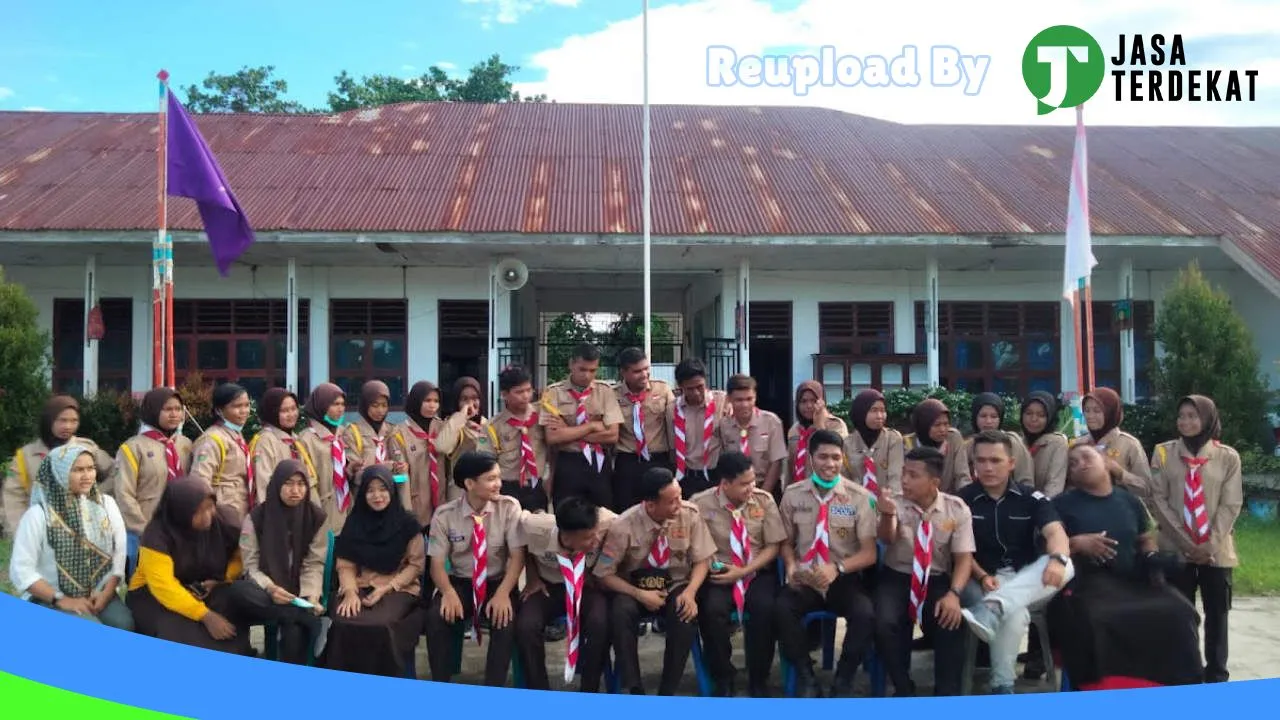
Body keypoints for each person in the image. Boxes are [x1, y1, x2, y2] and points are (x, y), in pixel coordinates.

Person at [1049, 444, 1204, 688]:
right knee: (1097, 619)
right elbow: (1048, 545)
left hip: (1133, 580)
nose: (1080, 464)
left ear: (1105, 461)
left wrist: (1151, 555)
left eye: (1086, 457)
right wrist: (1077, 543)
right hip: (1088, 584)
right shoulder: (1061, 504)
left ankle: (1178, 686)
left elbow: (1145, 537)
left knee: (1179, 611)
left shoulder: (1129, 501)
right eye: (1073, 464)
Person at [956, 430, 1074, 694]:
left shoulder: (1031, 499)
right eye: (981, 461)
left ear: (1011, 463)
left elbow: (1056, 533)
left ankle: (996, 607)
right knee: (1016, 612)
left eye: (995, 460)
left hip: (1027, 579)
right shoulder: (963, 500)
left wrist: (1056, 560)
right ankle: (1002, 685)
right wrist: (982, 576)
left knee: (1067, 564)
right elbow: (960, 552)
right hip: (980, 579)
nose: (987, 467)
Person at [596, 466, 715, 696]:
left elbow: (703, 559)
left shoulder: (689, 514)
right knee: (620, 612)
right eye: (672, 501)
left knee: (685, 613)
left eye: (679, 497)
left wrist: (690, 592)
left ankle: (667, 690)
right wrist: (639, 594)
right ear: (651, 505)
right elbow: (604, 574)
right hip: (635, 588)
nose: (679, 505)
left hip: (675, 584)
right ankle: (634, 687)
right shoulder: (624, 525)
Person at [776, 432, 878, 698]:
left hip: (842, 578)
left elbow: (869, 554)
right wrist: (790, 566)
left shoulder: (859, 497)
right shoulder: (792, 495)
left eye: (836, 457)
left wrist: (838, 568)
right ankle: (806, 675)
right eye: (823, 457)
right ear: (811, 459)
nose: (830, 464)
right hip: (806, 577)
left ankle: (843, 679)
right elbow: (785, 542)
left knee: (865, 613)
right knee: (782, 608)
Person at [1149, 395, 1242, 683]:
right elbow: (1158, 500)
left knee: (1217, 615)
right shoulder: (1163, 453)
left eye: (1193, 415)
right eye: (1181, 416)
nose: (1185, 422)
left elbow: (1231, 504)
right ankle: (1184, 672)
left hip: (1216, 552)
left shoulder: (1228, 457)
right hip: (1176, 550)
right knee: (1179, 614)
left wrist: (1208, 545)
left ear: (1207, 419)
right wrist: (1187, 544)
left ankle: (1216, 674)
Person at [874, 445, 974, 697]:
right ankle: (903, 686)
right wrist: (887, 515)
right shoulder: (893, 503)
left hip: (936, 579)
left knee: (951, 620)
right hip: (897, 577)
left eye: (913, 475)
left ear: (934, 482)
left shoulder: (956, 508)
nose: (905, 480)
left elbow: (963, 559)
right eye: (904, 473)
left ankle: (945, 695)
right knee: (884, 621)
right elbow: (887, 539)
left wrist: (954, 593)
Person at [425, 452, 527, 686]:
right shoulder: (444, 515)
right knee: (436, 617)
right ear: (470, 484)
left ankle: (493, 687)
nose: (498, 484)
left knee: (506, 620)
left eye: (499, 477)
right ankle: (440, 683)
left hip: (497, 582)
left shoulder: (509, 508)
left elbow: (517, 557)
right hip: (461, 582)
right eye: (491, 479)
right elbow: (437, 564)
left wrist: (503, 594)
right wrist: (448, 593)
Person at [692, 451, 785, 697]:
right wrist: (718, 567)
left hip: (755, 571)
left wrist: (744, 570)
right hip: (720, 572)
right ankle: (723, 675)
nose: (751, 487)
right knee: (712, 611)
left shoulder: (764, 500)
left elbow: (773, 546)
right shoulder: (700, 504)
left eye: (753, 480)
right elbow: (697, 545)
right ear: (724, 483)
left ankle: (759, 678)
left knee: (765, 608)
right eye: (744, 484)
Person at [9, 444, 133, 630]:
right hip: (49, 597)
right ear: (59, 472)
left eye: (91, 468)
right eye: (78, 470)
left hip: (100, 592)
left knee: (125, 625)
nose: (87, 476)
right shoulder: (39, 514)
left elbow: (120, 552)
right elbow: (21, 570)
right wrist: (61, 599)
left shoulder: (106, 504)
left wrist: (107, 592)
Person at [126, 476, 253, 655]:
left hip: (201, 588)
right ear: (181, 512)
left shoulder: (225, 521)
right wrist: (205, 616)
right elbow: (164, 587)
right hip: (154, 595)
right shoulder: (156, 536)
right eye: (199, 511)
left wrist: (222, 579)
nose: (208, 516)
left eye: (210, 507)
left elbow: (241, 556)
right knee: (177, 628)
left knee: (230, 606)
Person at [324, 466, 425, 677]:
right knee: (344, 621)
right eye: (370, 490)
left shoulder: (407, 524)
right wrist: (350, 592)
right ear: (363, 494)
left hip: (398, 588)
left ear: (391, 490)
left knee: (381, 625)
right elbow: (345, 565)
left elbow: (415, 566)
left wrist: (386, 588)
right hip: (360, 586)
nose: (377, 496)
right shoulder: (355, 522)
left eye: (382, 489)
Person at [514, 496, 617, 692]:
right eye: (588, 538)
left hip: (586, 586)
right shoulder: (535, 526)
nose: (595, 541)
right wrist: (533, 576)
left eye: (596, 535)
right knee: (526, 626)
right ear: (567, 536)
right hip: (547, 586)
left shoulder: (605, 520)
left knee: (600, 622)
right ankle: (538, 691)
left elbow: (629, 523)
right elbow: (520, 541)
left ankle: (590, 689)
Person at [238, 459, 329, 665]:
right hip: (266, 592)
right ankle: (310, 620)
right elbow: (250, 565)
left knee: (294, 634)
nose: (295, 490)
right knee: (239, 591)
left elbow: (313, 563)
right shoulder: (256, 518)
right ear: (277, 484)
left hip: (298, 593)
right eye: (288, 483)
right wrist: (270, 588)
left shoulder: (316, 517)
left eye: (301, 483)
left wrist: (311, 595)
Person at [4, 395, 115, 538]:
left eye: (74, 421)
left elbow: (115, 472)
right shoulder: (25, 456)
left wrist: (94, 494)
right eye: (62, 420)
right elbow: (13, 498)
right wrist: (21, 533)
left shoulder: (86, 448)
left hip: (84, 532)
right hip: (41, 531)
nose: (68, 426)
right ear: (48, 421)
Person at [114, 387, 193, 579]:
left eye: (178, 408)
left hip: (180, 531)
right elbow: (124, 494)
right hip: (144, 531)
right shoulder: (133, 447)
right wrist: (144, 529)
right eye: (167, 409)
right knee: (144, 586)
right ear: (152, 410)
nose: (174, 414)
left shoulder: (185, 444)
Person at [540, 343, 624, 510]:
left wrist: (568, 431)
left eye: (593, 370)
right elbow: (553, 437)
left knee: (603, 514)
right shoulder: (553, 393)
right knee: (566, 513)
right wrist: (592, 426)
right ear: (571, 364)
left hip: (598, 461)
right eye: (582, 369)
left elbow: (612, 435)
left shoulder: (605, 391)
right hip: (568, 462)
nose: (587, 375)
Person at [612, 347, 676, 512]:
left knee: (661, 509)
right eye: (637, 371)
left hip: (658, 459)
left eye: (646, 368)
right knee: (626, 510)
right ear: (624, 373)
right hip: (628, 461)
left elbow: (677, 418)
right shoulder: (613, 395)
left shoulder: (663, 390)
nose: (644, 374)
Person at [478, 365, 550, 512]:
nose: (525, 396)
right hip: (507, 487)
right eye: (519, 392)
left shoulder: (543, 416)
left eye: (528, 390)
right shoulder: (492, 426)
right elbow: (485, 462)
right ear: (504, 394)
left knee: (538, 529)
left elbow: (554, 447)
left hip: (537, 484)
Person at [297, 383, 362, 535]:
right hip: (321, 510)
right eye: (334, 404)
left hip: (345, 509)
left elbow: (340, 470)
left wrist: (351, 469)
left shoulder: (341, 433)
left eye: (342, 404)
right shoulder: (307, 439)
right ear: (321, 406)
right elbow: (307, 480)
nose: (340, 409)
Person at [189, 383, 254, 522]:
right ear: (219, 410)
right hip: (221, 513)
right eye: (237, 406)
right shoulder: (212, 439)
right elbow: (200, 480)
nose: (244, 411)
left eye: (246, 405)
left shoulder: (236, 435)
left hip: (240, 511)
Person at [666, 358, 730, 499]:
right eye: (689, 389)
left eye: (700, 386)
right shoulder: (672, 410)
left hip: (716, 476)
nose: (696, 393)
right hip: (686, 477)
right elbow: (673, 448)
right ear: (680, 386)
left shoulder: (722, 402)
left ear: (705, 381)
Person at [715, 375, 788, 496]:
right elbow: (724, 462)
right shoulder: (724, 425)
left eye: (749, 399)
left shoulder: (771, 422)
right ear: (729, 399)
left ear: (755, 397)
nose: (745, 404)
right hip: (736, 491)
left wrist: (762, 495)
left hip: (765, 487)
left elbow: (776, 463)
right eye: (739, 400)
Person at [1074, 387, 1151, 499]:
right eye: (1086, 410)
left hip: (1119, 510)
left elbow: (1146, 489)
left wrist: (1120, 472)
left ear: (1110, 413)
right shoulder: (1079, 444)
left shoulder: (1129, 444)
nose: (1090, 416)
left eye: (1097, 411)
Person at [249, 388, 318, 506]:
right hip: (278, 512)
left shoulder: (294, 440)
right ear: (272, 412)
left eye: (293, 408)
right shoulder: (265, 440)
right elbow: (264, 484)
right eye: (284, 411)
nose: (291, 414)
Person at [393, 380, 446, 527]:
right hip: (416, 503)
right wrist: (406, 511)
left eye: (436, 401)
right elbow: (399, 476)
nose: (432, 405)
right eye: (427, 400)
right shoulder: (399, 433)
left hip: (442, 502)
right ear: (416, 401)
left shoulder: (442, 428)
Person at [786, 380, 848, 494]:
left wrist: (819, 425)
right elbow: (789, 467)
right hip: (798, 493)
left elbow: (839, 458)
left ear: (822, 402)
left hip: (827, 491)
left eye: (814, 401)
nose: (809, 406)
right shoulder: (794, 430)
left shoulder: (836, 425)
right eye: (803, 401)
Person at [437, 377, 491, 503]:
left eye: (474, 398)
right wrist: (460, 416)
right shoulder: (453, 425)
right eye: (464, 399)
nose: (470, 403)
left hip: (484, 491)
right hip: (460, 493)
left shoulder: (488, 425)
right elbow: (442, 447)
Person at [842, 388, 905, 496]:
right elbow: (843, 480)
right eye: (874, 410)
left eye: (882, 410)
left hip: (887, 503)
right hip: (856, 505)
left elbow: (896, 479)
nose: (880, 416)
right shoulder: (847, 444)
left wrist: (891, 507)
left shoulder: (893, 439)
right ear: (861, 412)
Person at [343, 380, 407, 482]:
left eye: (384, 405)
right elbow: (354, 472)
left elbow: (401, 467)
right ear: (365, 405)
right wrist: (383, 467)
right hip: (365, 494)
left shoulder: (393, 431)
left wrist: (401, 467)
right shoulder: (352, 433)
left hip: (389, 493)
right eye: (375, 405)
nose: (380, 411)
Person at [964, 393, 1034, 486]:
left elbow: (1025, 479)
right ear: (975, 417)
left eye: (994, 416)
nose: (988, 421)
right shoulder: (968, 445)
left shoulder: (1012, 441)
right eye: (983, 416)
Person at [902, 398, 970, 493]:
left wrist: (966, 497)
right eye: (937, 425)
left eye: (946, 424)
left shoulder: (953, 438)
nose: (942, 429)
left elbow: (962, 476)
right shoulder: (906, 443)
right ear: (924, 425)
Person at [1020, 391, 1068, 497]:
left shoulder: (1057, 443)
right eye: (1028, 413)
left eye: (1041, 415)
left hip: (1045, 506)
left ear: (1050, 417)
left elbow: (1055, 485)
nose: (1033, 419)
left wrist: (1043, 509)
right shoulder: (1018, 442)